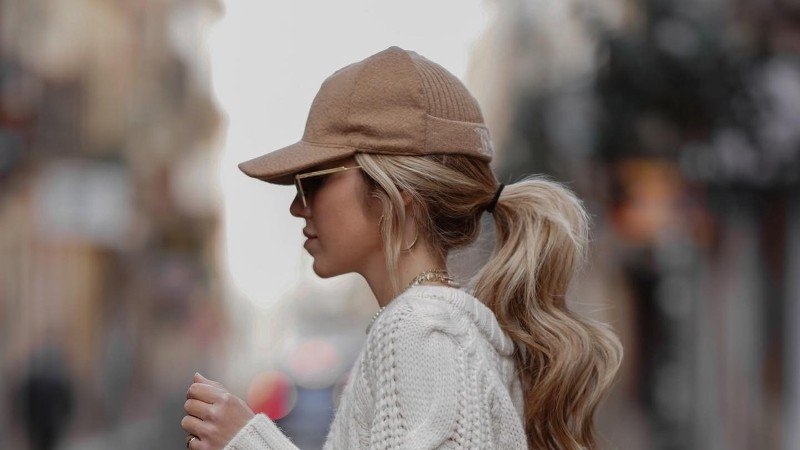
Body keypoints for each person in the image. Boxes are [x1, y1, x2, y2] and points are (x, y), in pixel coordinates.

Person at [180, 46, 623, 450]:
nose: (298, 206)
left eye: (313, 181)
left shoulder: (420, 331)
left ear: (396, 195)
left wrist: (247, 443)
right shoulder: (444, 330)